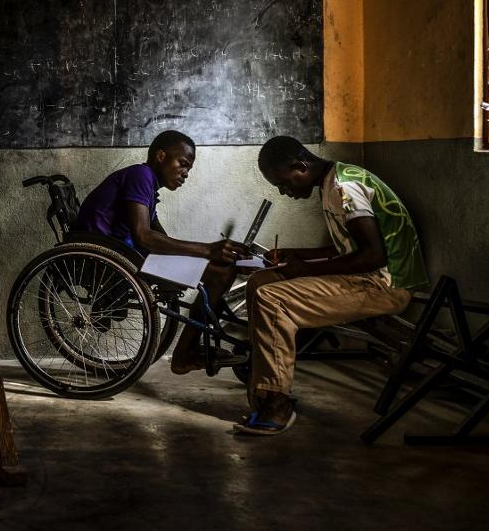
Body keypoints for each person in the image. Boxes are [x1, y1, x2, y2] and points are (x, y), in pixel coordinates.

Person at [238, 135, 430, 435]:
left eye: (284, 183)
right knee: (260, 280)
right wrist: (296, 255)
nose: (285, 192)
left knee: (271, 298)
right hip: (365, 277)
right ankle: (264, 383)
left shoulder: (344, 187)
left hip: (385, 286)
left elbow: (373, 256)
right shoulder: (332, 181)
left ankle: (278, 402)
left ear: (300, 166)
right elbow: (347, 249)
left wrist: (302, 269)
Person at [73, 130, 249, 374]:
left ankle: (190, 347)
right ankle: (184, 353)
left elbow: (161, 239)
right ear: (161, 156)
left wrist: (211, 253)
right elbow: (144, 236)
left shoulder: (147, 186)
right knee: (218, 274)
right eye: (183, 164)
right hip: (114, 258)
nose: (186, 173)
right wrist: (208, 250)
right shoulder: (140, 175)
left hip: (125, 255)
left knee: (221, 268)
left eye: (189, 168)